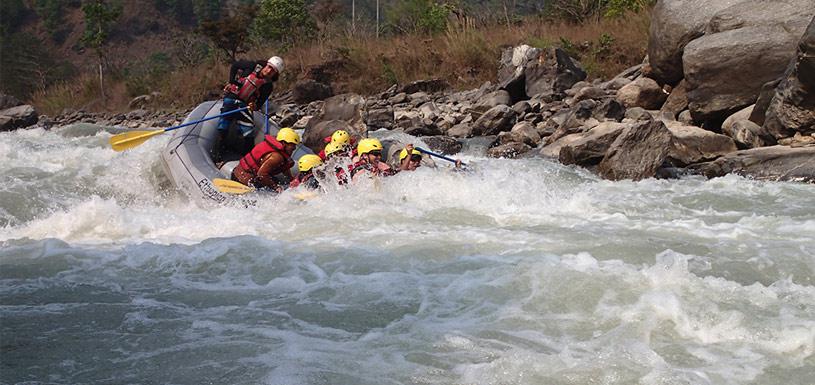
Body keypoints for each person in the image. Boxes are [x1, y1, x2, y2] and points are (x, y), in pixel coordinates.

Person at [212, 56, 284, 163]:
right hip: (232, 97)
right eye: (269, 67)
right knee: (223, 125)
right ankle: (217, 154)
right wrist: (231, 82)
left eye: (273, 71)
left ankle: (248, 160)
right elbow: (235, 65)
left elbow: (259, 104)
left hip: (244, 105)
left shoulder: (268, 86)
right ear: (266, 64)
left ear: (275, 74)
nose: (269, 71)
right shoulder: (251, 66)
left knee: (249, 132)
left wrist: (253, 105)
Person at [231, 127, 299, 192]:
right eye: (292, 145)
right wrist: (276, 188)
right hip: (243, 182)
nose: (294, 148)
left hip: (236, 174)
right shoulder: (276, 157)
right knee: (274, 185)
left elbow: (284, 167)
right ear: (284, 143)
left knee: (274, 180)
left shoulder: (277, 150)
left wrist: (291, 178)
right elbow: (262, 174)